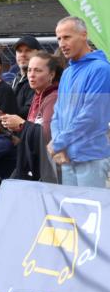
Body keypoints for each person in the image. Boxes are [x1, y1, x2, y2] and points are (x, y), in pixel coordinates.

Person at [49, 16, 110, 188]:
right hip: (67, 156)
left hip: (91, 157)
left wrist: (58, 143)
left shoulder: (101, 69)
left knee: (91, 212)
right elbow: (58, 113)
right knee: (72, 213)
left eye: (67, 37)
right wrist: (59, 144)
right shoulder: (67, 73)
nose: (61, 43)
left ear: (84, 35)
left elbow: (92, 116)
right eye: (59, 38)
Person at [6, 52, 61, 182]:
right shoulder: (37, 95)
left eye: (38, 70)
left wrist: (22, 124)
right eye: (29, 70)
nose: (31, 75)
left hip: (49, 169)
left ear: (51, 75)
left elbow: (47, 135)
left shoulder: (53, 97)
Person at [8, 35, 41, 117]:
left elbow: (30, 110)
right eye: (19, 51)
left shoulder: (41, 80)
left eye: (28, 50)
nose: (23, 54)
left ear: (38, 53)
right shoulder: (15, 80)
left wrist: (5, 112)